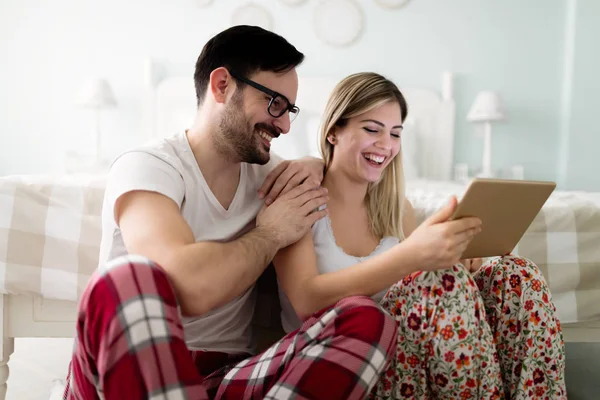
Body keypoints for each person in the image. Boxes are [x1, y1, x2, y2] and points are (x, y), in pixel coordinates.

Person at [63, 27, 398, 400]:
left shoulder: (275, 177)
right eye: (275, 104)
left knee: (367, 319)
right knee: (128, 276)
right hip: (127, 373)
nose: (285, 125)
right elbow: (190, 287)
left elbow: (336, 179)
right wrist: (269, 234)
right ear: (222, 85)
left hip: (227, 377)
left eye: (290, 111)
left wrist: (317, 163)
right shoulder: (149, 167)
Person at [273, 72, 567, 399]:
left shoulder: (399, 211)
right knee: (445, 280)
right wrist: (413, 257)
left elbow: (420, 290)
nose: (385, 145)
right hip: (342, 356)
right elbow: (305, 301)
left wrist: (458, 259)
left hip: (414, 356)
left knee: (517, 275)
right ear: (333, 132)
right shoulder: (301, 200)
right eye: (372, 129)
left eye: (395, 133)